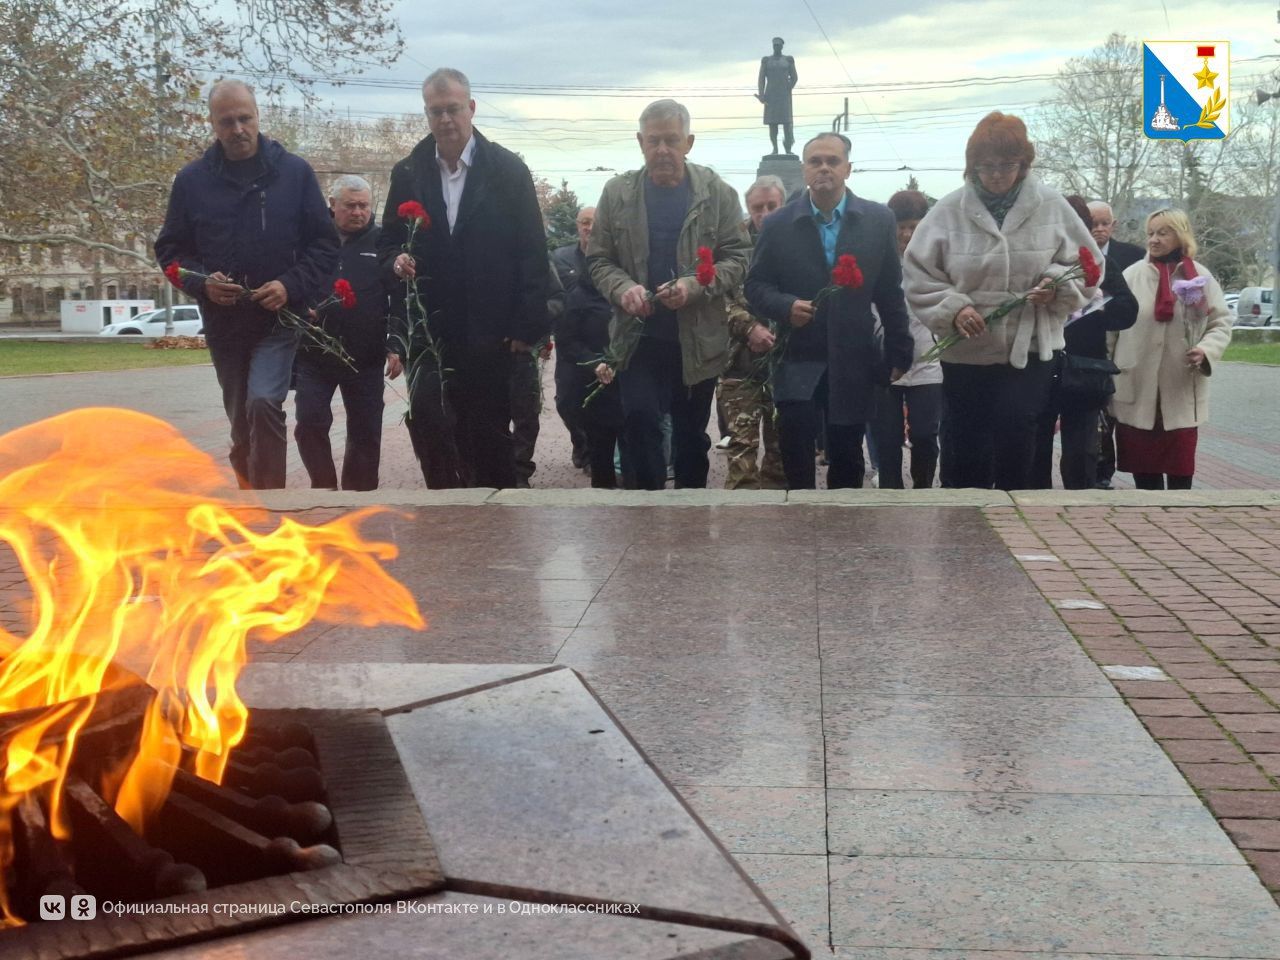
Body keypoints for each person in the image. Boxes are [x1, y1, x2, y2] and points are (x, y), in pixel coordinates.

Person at [156, 79, 338, 489]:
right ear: (212, 124)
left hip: (279, 319)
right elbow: (170, 252)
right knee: (242, 425)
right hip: (226, 326)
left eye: (245, 118)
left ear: (258, 116)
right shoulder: (191, 182)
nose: (237, 129)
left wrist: (290, 285)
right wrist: (203, 284)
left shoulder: (295, 173)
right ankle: (249, 501)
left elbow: (324, 246)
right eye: (227, 121)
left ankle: (270, 511)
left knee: (263, 403)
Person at [903, 112, 1100, 491]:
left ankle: (1015, 510)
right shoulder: (947, 211)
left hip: (1028, 347)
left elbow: (1088, 264)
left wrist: (1055, 285)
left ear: (1024, 165)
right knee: (967, 438)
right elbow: (919, 272)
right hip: (967, 350)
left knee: (1018, 425)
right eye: (986, 166)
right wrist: (955, 309)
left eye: (1006, 166)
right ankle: (968, 518)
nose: (995, 174)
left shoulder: (1052, 207)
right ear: (972, 165)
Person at [380, 67, 551, 489]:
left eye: (453, 109)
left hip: (493, 331)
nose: (445, 120)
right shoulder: (408, 173)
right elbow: (386, 243)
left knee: (489, 429)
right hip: (432, 331)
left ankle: (496, 517)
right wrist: (396, 259)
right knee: (428, 416)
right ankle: (446, 509)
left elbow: (532, 250)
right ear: (426, 114)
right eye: (435, 111)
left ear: (471, 108)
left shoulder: (508, 171)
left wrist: (526, 326)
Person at [587, 99, 751, 490]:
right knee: (641, 420)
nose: (662, 150)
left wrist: (694, 285)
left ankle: (689, 521)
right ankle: (647, 514)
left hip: (696, 338)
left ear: (688, 142)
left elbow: (740, 256)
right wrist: (623, 288)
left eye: (671, 140)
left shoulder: (717, 193)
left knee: (690, 434)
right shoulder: (617, 193)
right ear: (640, 142)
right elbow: (598, 261)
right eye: (654, 140)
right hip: (636, 337)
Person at [745, 132, 913, 490]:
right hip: (797, 357)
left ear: (848, 168)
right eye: (815, 161)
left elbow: (888, 292)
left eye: (832, 161)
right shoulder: (778, 224)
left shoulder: (877, 219)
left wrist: (901, 350)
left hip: (852, 357)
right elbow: (755, 286)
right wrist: (785, 305)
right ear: (805, 170)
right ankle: (802, 532)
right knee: (796, 455)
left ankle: (844, 535)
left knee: (848, 456)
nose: (824, 168)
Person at [1111, 209, 1232, 489]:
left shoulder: (1201, 277)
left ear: (1181, 235)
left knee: (1180, 473)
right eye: (1150, 233)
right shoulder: (1131, 276)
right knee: (1144, 475)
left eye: (1162, 233)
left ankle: (1180, 522)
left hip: (1179, 388)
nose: (1154, 240)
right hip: (1137, 387)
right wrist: (1108, 373)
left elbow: (1221, 323)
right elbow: (1111, 331)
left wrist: (1205, 350)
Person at [293, 175, 394, 491]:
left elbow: (399, 297)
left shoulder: (382, 243)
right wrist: (300, 308)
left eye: (364, 205)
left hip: (365, 357)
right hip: (314, 355)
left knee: (365, 430)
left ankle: (358, 496)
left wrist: (396, 344)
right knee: (309, 422)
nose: (358, 212)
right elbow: (291, 280)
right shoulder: (309, 240)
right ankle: (323, 488)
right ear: (332, 205)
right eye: (350, 205)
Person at [1030, 196, 1137, 490]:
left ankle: (1081, 506)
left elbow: (1128, 311)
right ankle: (1035, 503)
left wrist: (1097, 308)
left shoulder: (1098, 263)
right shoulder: (1036, 258)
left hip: (1084, 368)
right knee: (1036, 443)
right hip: (1039, 365)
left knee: (1082, 449)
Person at [870, 189, 943, 489]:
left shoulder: (938, 259)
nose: (906, 233)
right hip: (885, 358)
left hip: (928, 358)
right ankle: (890, 492)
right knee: (887, 440)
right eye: (901, 226)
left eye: (913, 226)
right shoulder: (876, 258)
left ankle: (923, 487)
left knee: (925, 434)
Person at [719, 175, 787, 490]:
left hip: (785, 362)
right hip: (739, 364)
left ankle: (779, 529)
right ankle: (741, 528)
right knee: (741, 454)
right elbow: (718, 299)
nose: (765, 213)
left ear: (783, 205)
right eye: (758, 207)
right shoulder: (732, 246)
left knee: (781, 455)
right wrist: (750, 328)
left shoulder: (798, 243)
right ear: (748, 208)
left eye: (772, 206)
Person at [558, 238, 625, 488]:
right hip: (596, 381)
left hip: (630, 378)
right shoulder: (578, 295)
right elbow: (567, 341)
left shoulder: (631, 291)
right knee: (601, 447)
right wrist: (594, 363)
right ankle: (604, 496)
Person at [1088, 200, 1145, 490]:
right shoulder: (1066, 253)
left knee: (1114, 410)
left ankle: (1107, 469)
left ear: (1114, 225)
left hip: (1122, 341)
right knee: (1096, 413)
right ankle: (1100, 470)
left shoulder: (1134, 256)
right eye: (1093, 223)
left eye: (1104, 223)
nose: (1099, 229)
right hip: (1087, 345)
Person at [551, 207, 595, 470]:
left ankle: (592, 453)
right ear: (578, 225)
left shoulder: (611, 257)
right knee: (566, 401)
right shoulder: (561, 257)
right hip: (569, 340)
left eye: (594, 223)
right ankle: (580, 441)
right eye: (585, 222)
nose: (589, 227)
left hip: (599, 339)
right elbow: (558, 292)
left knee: (597, 401)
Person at [757, 37, 798, 156]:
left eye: (778, 45)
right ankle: (775, 149)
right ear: (772, 46)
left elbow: (795, 77)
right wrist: (761, 94)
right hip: (771, 95)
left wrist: (788, 87)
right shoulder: (766, 61)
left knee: (787, 124)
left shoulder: (788, 60)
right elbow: (761, 79)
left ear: (782, 46)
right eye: (775, 45)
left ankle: (788, 149)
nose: (776, 47)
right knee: (772, 124)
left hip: (784, 96)